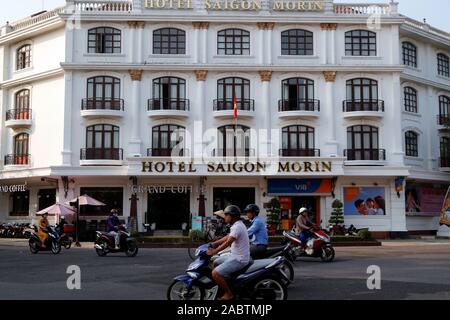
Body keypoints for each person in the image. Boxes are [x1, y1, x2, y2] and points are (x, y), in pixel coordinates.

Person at [207, 205, 250, 301]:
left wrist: (215, 251)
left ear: (232, 216)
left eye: (226, 215)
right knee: (215, 262)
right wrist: (214, 243)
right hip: (234, 255)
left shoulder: (238, 226)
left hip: (239, 259)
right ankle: (223, 283)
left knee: (215, 273)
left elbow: (228, 242)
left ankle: (228, 293)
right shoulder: (236, 225)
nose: (225, 217)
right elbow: (228, 237)